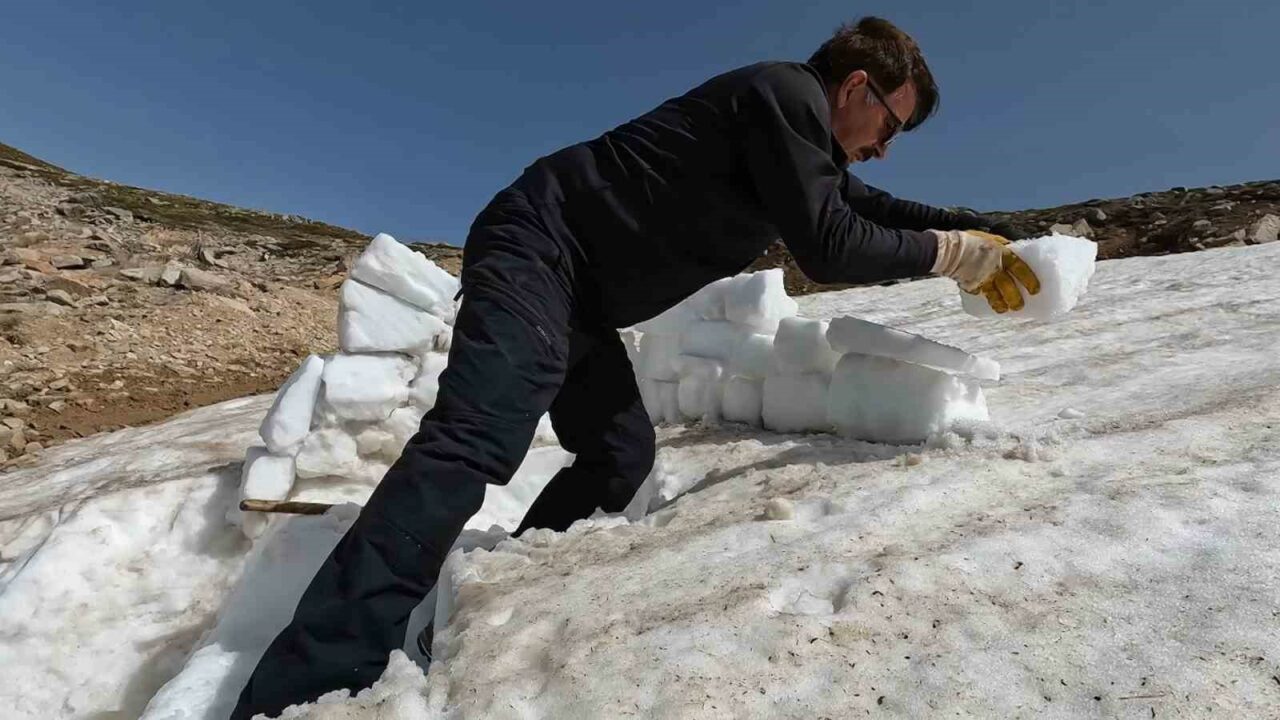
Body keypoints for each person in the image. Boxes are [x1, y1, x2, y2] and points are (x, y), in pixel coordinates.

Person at [231, 15, 1038, 719]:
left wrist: (977, 227)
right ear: (859, 86)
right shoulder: (785, 95)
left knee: (621, 453)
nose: (885, 149)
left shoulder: (798, 138)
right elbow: (830, 244)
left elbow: (862, 207)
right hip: (539, 249)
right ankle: (306, 684)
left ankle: (484, 601)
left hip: (576, 291)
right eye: (890, 126)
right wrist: (953, 256)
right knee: (476, 438)